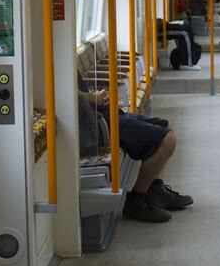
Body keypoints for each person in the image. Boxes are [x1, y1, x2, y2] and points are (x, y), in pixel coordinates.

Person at [77, 71, 193, 223]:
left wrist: (94, 96)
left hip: (108, 114)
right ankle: (136, 201)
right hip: (98, 124)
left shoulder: (60, 56)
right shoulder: (51, 61)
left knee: (166, 125)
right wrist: (91, 97)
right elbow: (62, 93)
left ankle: (156, 189)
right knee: (167, 140)